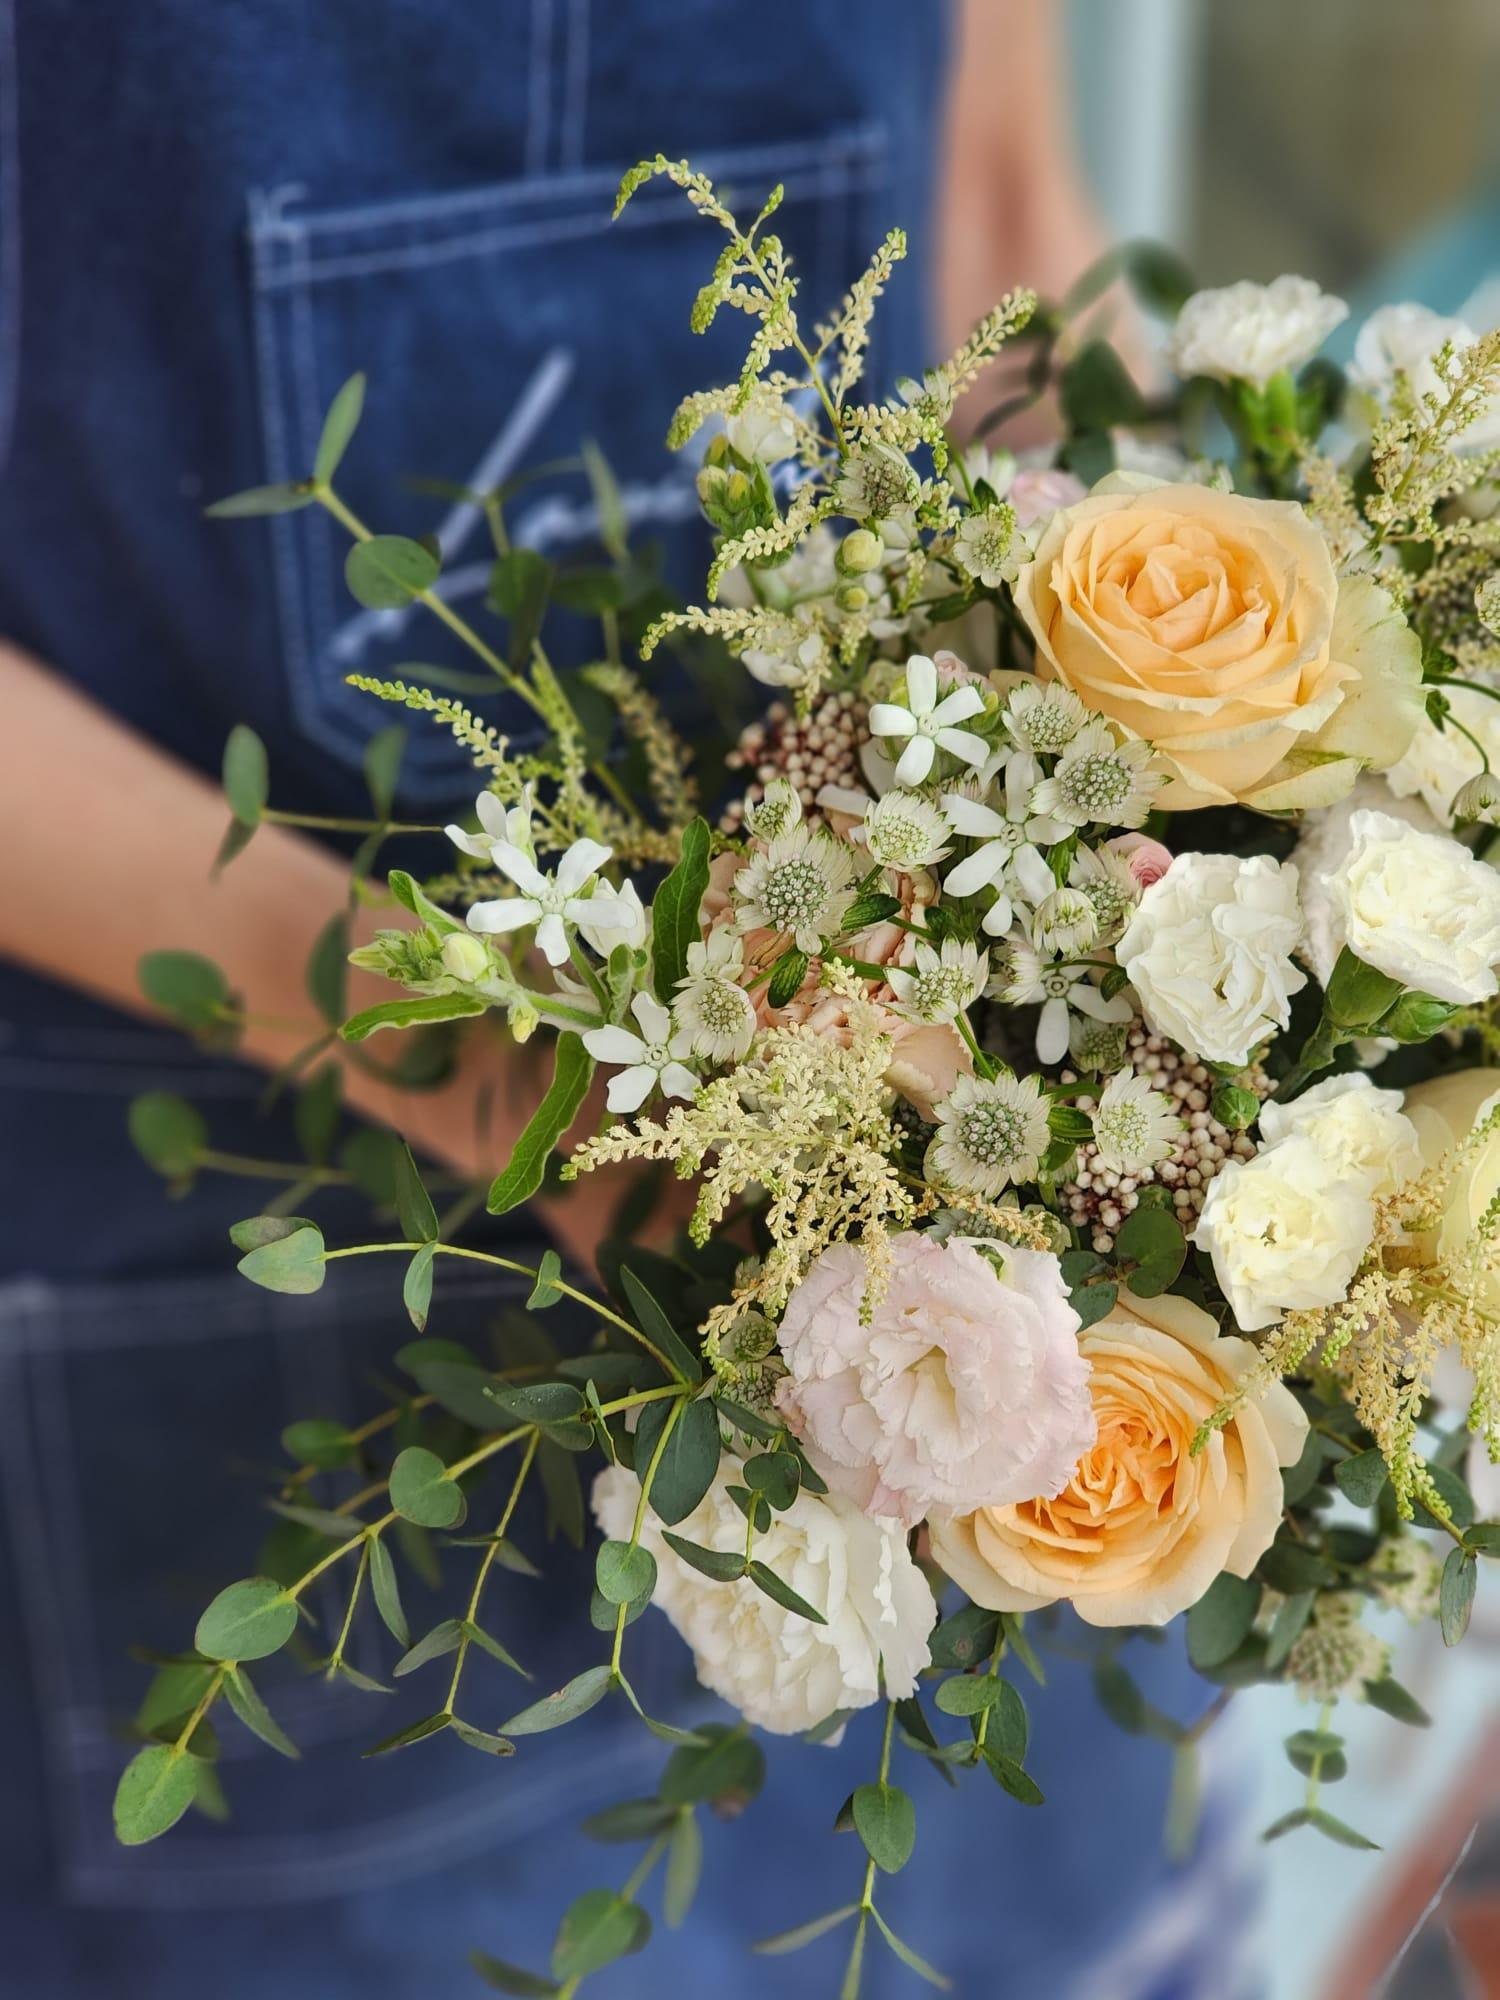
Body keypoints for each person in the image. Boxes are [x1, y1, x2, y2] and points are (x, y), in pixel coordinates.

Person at [0, 3, 1253, 1993]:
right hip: (245, 1294)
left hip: (970, 1313)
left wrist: (1226, 819)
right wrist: (510, 1065)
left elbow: (1000, 206)